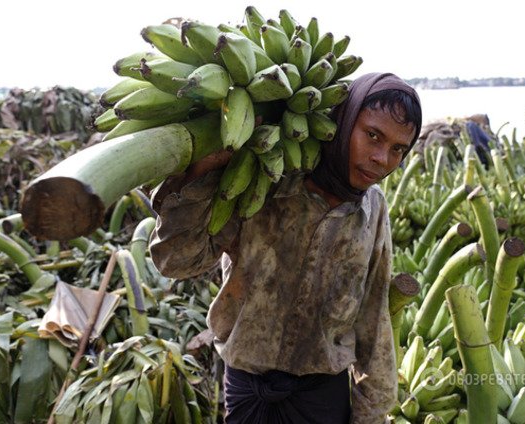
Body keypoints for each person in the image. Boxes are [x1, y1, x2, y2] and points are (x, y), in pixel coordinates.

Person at [149, 72, 422, 424]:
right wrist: (199, 175)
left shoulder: (373, 209)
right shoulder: (267, 180)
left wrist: (371, 412)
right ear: (343, 120)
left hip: (322, 399)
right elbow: (176, 261)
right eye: (372, 136)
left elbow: (374, 316)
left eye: (398, 149)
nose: (382, 159)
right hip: (249, 390)